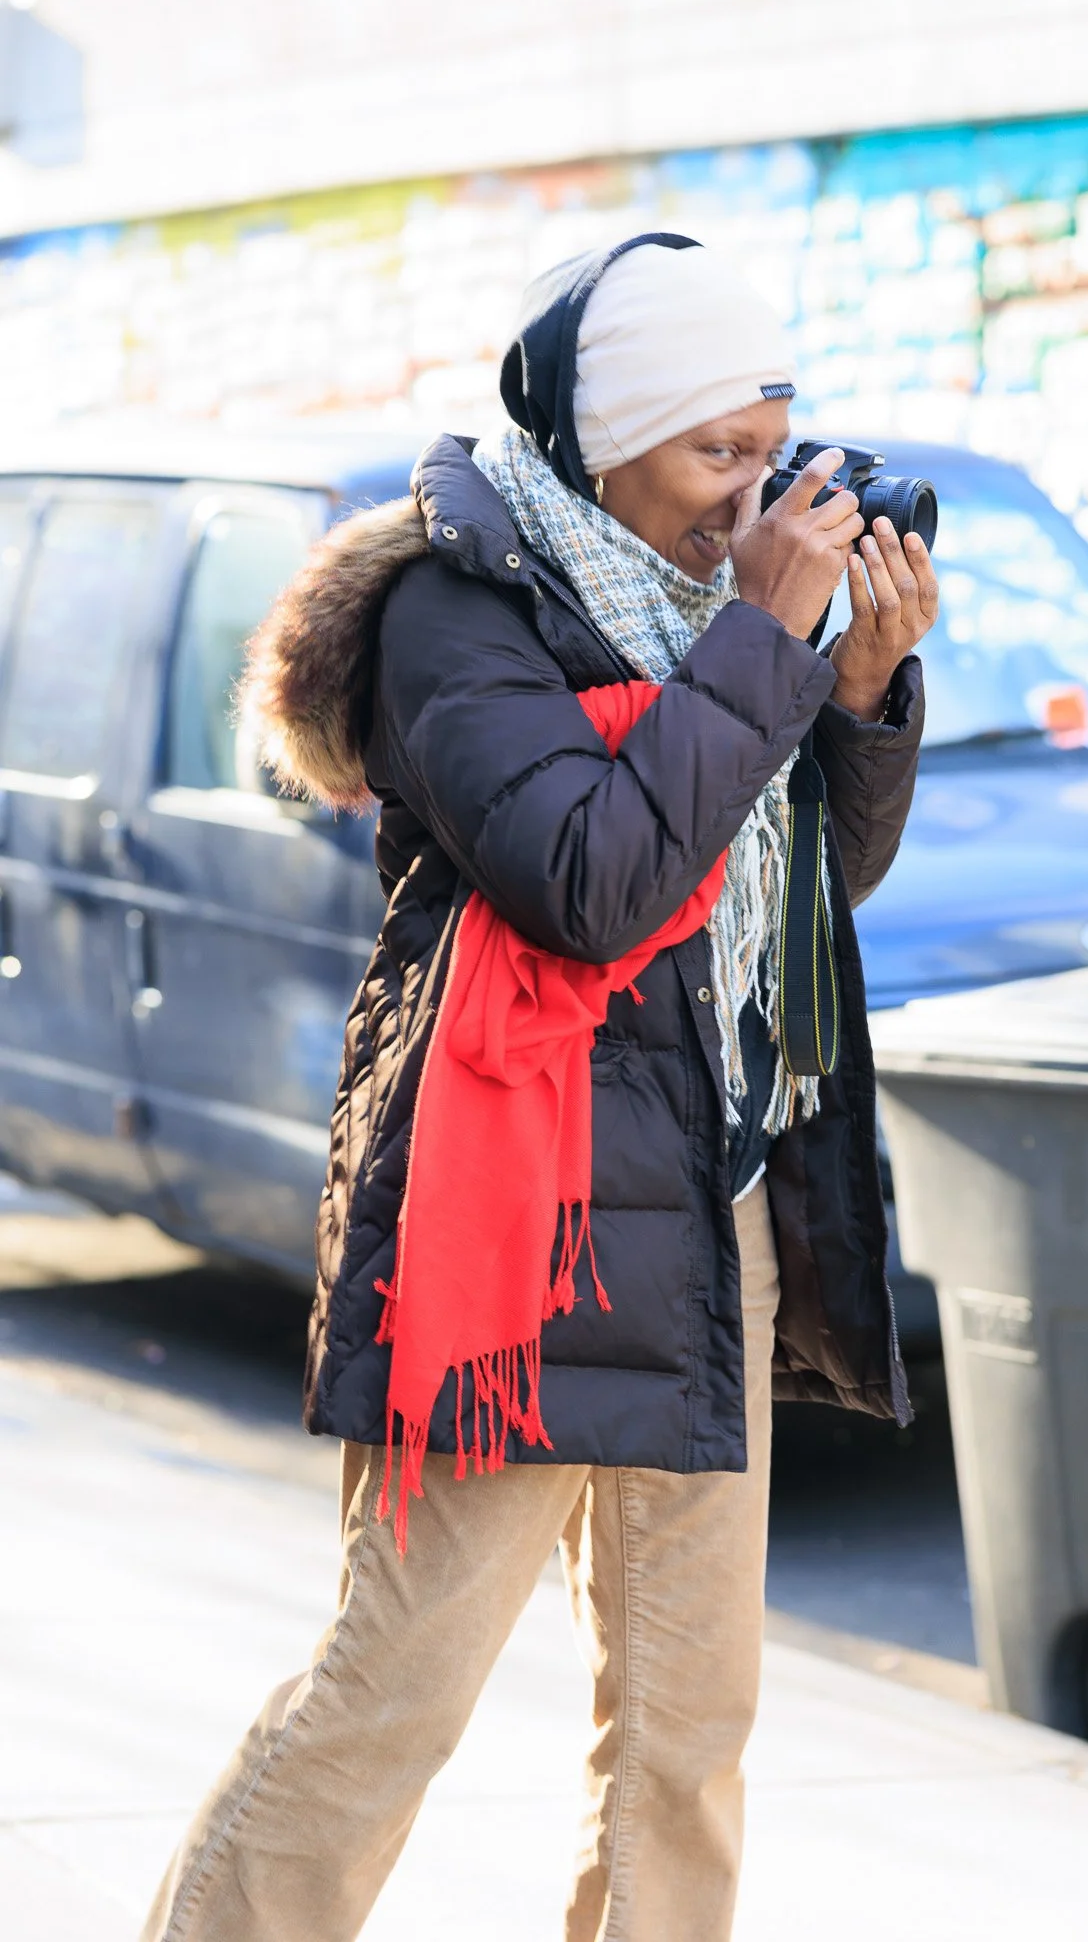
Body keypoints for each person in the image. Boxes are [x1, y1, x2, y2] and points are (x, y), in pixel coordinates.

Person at [141, 231, 937, 1942]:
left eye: (770, 445)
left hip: (709, 1221)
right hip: (518, 1231)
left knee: (685, 1739)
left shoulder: (726, 617)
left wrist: (858, 695)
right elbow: (592, 882)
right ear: (610, 440)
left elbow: (801, 893)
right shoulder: (460, 610)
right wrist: (771, 648)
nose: (752, 496)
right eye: (716, 454)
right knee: (388, 1705)